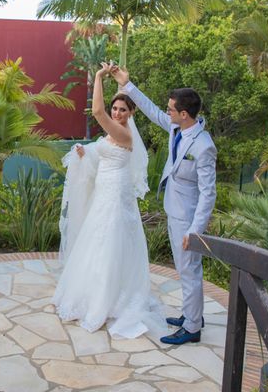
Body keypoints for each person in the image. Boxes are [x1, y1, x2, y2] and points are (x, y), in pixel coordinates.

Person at [53, 62, 166, 339]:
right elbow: (99, 152)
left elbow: (96, 111)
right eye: (115, 109)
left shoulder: (124, 134)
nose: (116, 113)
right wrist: (85, 153)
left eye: (122, 110)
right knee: (96, 240)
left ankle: (109, 299)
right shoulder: (111, 133)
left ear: (131, 113)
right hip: (104, 192)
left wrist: (101, 76)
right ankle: (90, 293)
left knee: (110, 241)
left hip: (115, 195)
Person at [111, 66, 217, 346]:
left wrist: (195, 231)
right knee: (185, 270)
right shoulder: (176, 128)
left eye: (172, 109)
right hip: (174, 210)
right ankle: (191, 314)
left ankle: (192, 328)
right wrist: (127, 84)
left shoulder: (204, 146)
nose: (167, 112)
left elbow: (208, 194)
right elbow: (152, 111)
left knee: (189, 270)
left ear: (185, 113)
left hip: (188, 219)